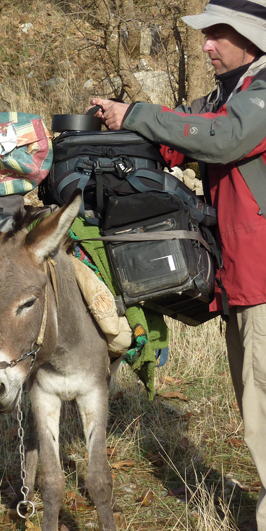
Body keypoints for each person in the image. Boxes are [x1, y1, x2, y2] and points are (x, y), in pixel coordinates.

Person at [91, 0, 266, 527]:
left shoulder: (261, 94)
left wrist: (142, 117)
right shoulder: (229, 93)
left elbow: (222, 138)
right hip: (244, 279)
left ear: (251, 37)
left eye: (217, 34)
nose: (206, 45)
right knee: (253, 401)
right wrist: (133, 128)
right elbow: (194, 129)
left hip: (263, 278)